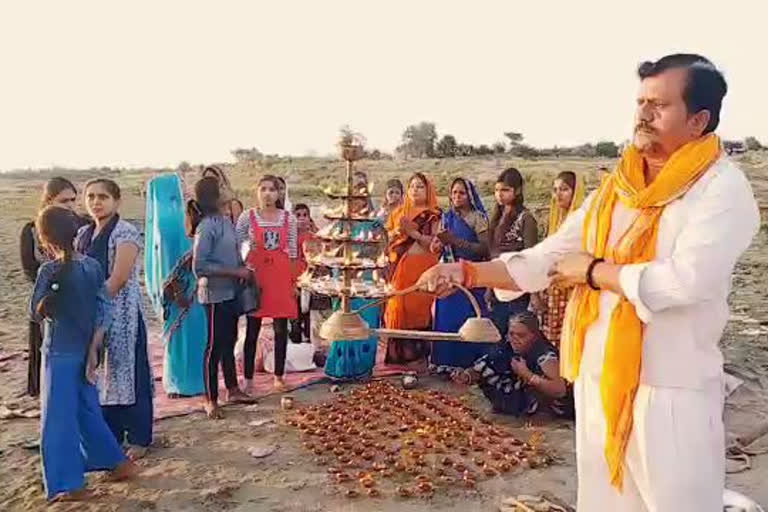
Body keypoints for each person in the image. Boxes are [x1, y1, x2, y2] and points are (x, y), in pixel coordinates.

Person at [417, 54, 760, 511]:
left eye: (659, 105)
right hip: (599, 380)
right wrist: (467, 272)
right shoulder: (617, 190)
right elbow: (548, 258)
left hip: (670, 393)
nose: (642, 114)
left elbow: (685, 282)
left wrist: (594, 273)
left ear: (698, 120)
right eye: (640, 102)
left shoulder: (722, 190)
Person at [31, 206, 136, 502]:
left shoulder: (49, 270)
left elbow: (35, 313)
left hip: (58, 353)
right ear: (76, 233)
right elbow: (104, 310)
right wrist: (93, 350)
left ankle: (68, 482)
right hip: (85, 350)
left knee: (57, 419)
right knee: (87, 410)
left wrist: (46, 307)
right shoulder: (91, 267)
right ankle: (117, 462)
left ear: (45, 239)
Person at [75, 179, 155, 460]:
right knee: (104, 376)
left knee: (129, 373)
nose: (97, 202)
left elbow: (119, 278)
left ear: (117, 201)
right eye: (91, 196)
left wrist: (95, 304)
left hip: (122, 313)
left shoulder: (125, 232)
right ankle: (111, 434)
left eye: (103, 197)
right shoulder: (84, 234)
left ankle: (139, 437)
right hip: (93, 313)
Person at [20, 177, 88, 397]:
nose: (69, 205)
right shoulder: (31, 229)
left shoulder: (82, 224)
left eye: (73, 200)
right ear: (49, 200)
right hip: (48, 298)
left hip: (78, 296)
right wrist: (52, 287)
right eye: (63, 200)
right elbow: (29, 266)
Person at [145, 173, 207, 398]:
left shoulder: (160, 222)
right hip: (186, 289)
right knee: (189, 336)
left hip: (178, 290)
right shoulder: (173, 219)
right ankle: (192, 382)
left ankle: (180, 382)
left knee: (180, 338)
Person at [237, 175, 299, 392]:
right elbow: (237, 244)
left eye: (272, 189)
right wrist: (243, 267)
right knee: (252, 328)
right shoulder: (247, 217)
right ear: (257, 192)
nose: (267, 194)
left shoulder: (288, 218)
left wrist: (293, 281)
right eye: (263, 189)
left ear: (279, 193)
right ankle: (248, 379)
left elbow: (292, 251)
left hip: (280, 275)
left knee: (281, 328)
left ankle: (279, 376)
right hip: (257, 276)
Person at [325, 173, 385, 380]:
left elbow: (381, 250)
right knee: (344, 321)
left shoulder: (374, 221)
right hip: (345, 278)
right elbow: (332, 249)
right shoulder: (340, 221)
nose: (357, 194)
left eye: (361, 188)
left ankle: (363, 369)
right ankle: (341, 369)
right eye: (353, 189)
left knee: (365, 323)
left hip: (368, 279)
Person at [455, 312, 572, 417]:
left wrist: (528, 375)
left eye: (521, 335)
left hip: (548, 410)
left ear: (534, 336)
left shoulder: (545, 355)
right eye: (511, 334)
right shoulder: (507, 345)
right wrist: (467, 376)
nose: (514, 339)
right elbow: (485, 365)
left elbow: (560, 390)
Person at [430, 177, 492, 373]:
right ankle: (446, 363)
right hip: (449, 277)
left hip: (470, 276)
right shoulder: (446, 218)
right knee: (447, 319)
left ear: (470, 196)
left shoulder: (478, 218)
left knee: (469, 319)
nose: (457, 197)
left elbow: (483, 249)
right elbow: (438, 247)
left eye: (462, 193)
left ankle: (470, 365)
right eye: (454, 193)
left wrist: (455, 240)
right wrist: (437, 245)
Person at [384, 172, 441, 367]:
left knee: (419, 310)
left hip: (422, 268)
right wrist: (396, 233)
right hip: (399, 267)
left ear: (428, 191)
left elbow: (434, 244)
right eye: (412, 186)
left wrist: (413, 233)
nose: (414, 190)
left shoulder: (433, 215)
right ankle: (397, 358)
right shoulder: (398, 213)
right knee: (398, 307)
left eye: (420, 186)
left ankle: (417, 358)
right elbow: (387, 239)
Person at [531, 171, 585, 346]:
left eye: (564, 189)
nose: (558, 194)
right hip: (552, 291)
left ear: (576, 192)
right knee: (551, 343)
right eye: (555, 190)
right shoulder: (555, 220)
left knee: (570, 340)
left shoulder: (582, 221)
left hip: (572, 290)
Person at [487, 168, 538, 340]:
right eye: (497, 190)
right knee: (498, 335)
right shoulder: (497, 216)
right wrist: (489, 287)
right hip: (498, 286)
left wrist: (534, 294)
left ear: (517, 191)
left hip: (518, 287)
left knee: (516, 336)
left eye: (505, 190)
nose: (500, 195)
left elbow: (531, 257)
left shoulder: (526, 218)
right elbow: (493, 255)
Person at [290, 203, 316, 344]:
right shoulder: (289, 239)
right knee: (295, 315)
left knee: (309, 315)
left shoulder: (314, 237)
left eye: (305, 215)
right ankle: (295, 344)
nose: (302, 218)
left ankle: (308, 345)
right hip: (293, 281)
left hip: (309, 281)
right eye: (298, 215)